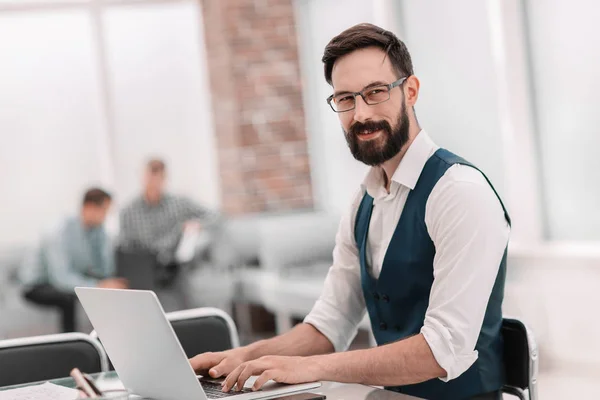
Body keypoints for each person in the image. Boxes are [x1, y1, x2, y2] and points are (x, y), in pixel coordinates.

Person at [190, 23, 510, 400]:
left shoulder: (458, 193)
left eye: (375, 92)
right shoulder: (364, 202)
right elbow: (329, 324)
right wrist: (241, 358)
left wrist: (308, 368)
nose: (360, 114)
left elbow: (443, 351)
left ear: (411, 91)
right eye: (345, 99)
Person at [20, 188, 128, 332]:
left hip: (64, 280)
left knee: (108, 291)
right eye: (104, 211)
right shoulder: (59, 232)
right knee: (68, 298)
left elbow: (103, 270)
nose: (105, 217)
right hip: (37, 285)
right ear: (89, 207)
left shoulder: (96, 231)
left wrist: (107, 281)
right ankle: (71, 346)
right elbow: (61, 278)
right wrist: (98, 285)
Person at [118, 159, 220, 285]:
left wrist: (197, 224)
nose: (154, 184)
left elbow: (214, 215)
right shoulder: (128, 212)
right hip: (147, 266)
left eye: (159, 178)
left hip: (176, 264)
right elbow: (125, 247)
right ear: (143, 178)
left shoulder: (180, 203)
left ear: (165, 179)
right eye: (150, 178)